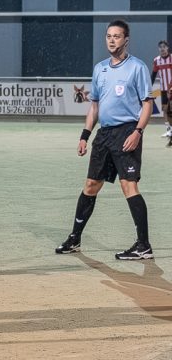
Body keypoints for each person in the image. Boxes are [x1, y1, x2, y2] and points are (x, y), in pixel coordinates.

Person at [56, 19, 154, 260]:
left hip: (127, 132)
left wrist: (137, 132)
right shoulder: (100, 69)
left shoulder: (137, 67)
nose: (111, 40)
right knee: (91, 185)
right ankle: (75, 239)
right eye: (108, 36)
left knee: (128, 185)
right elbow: (95, 107)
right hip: (104, 135)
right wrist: (84, 136)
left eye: (116, 36)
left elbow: (147, 104)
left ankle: (143, 246)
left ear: (126, 40)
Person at [151, 40, 172, 143]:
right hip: (163, 89)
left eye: (164, 47)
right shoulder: (157, 60)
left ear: (167, 48)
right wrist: (149, 87)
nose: (162, 49)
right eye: (160, 47)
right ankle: (169, 129)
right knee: (165, 109)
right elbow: (153, 75)